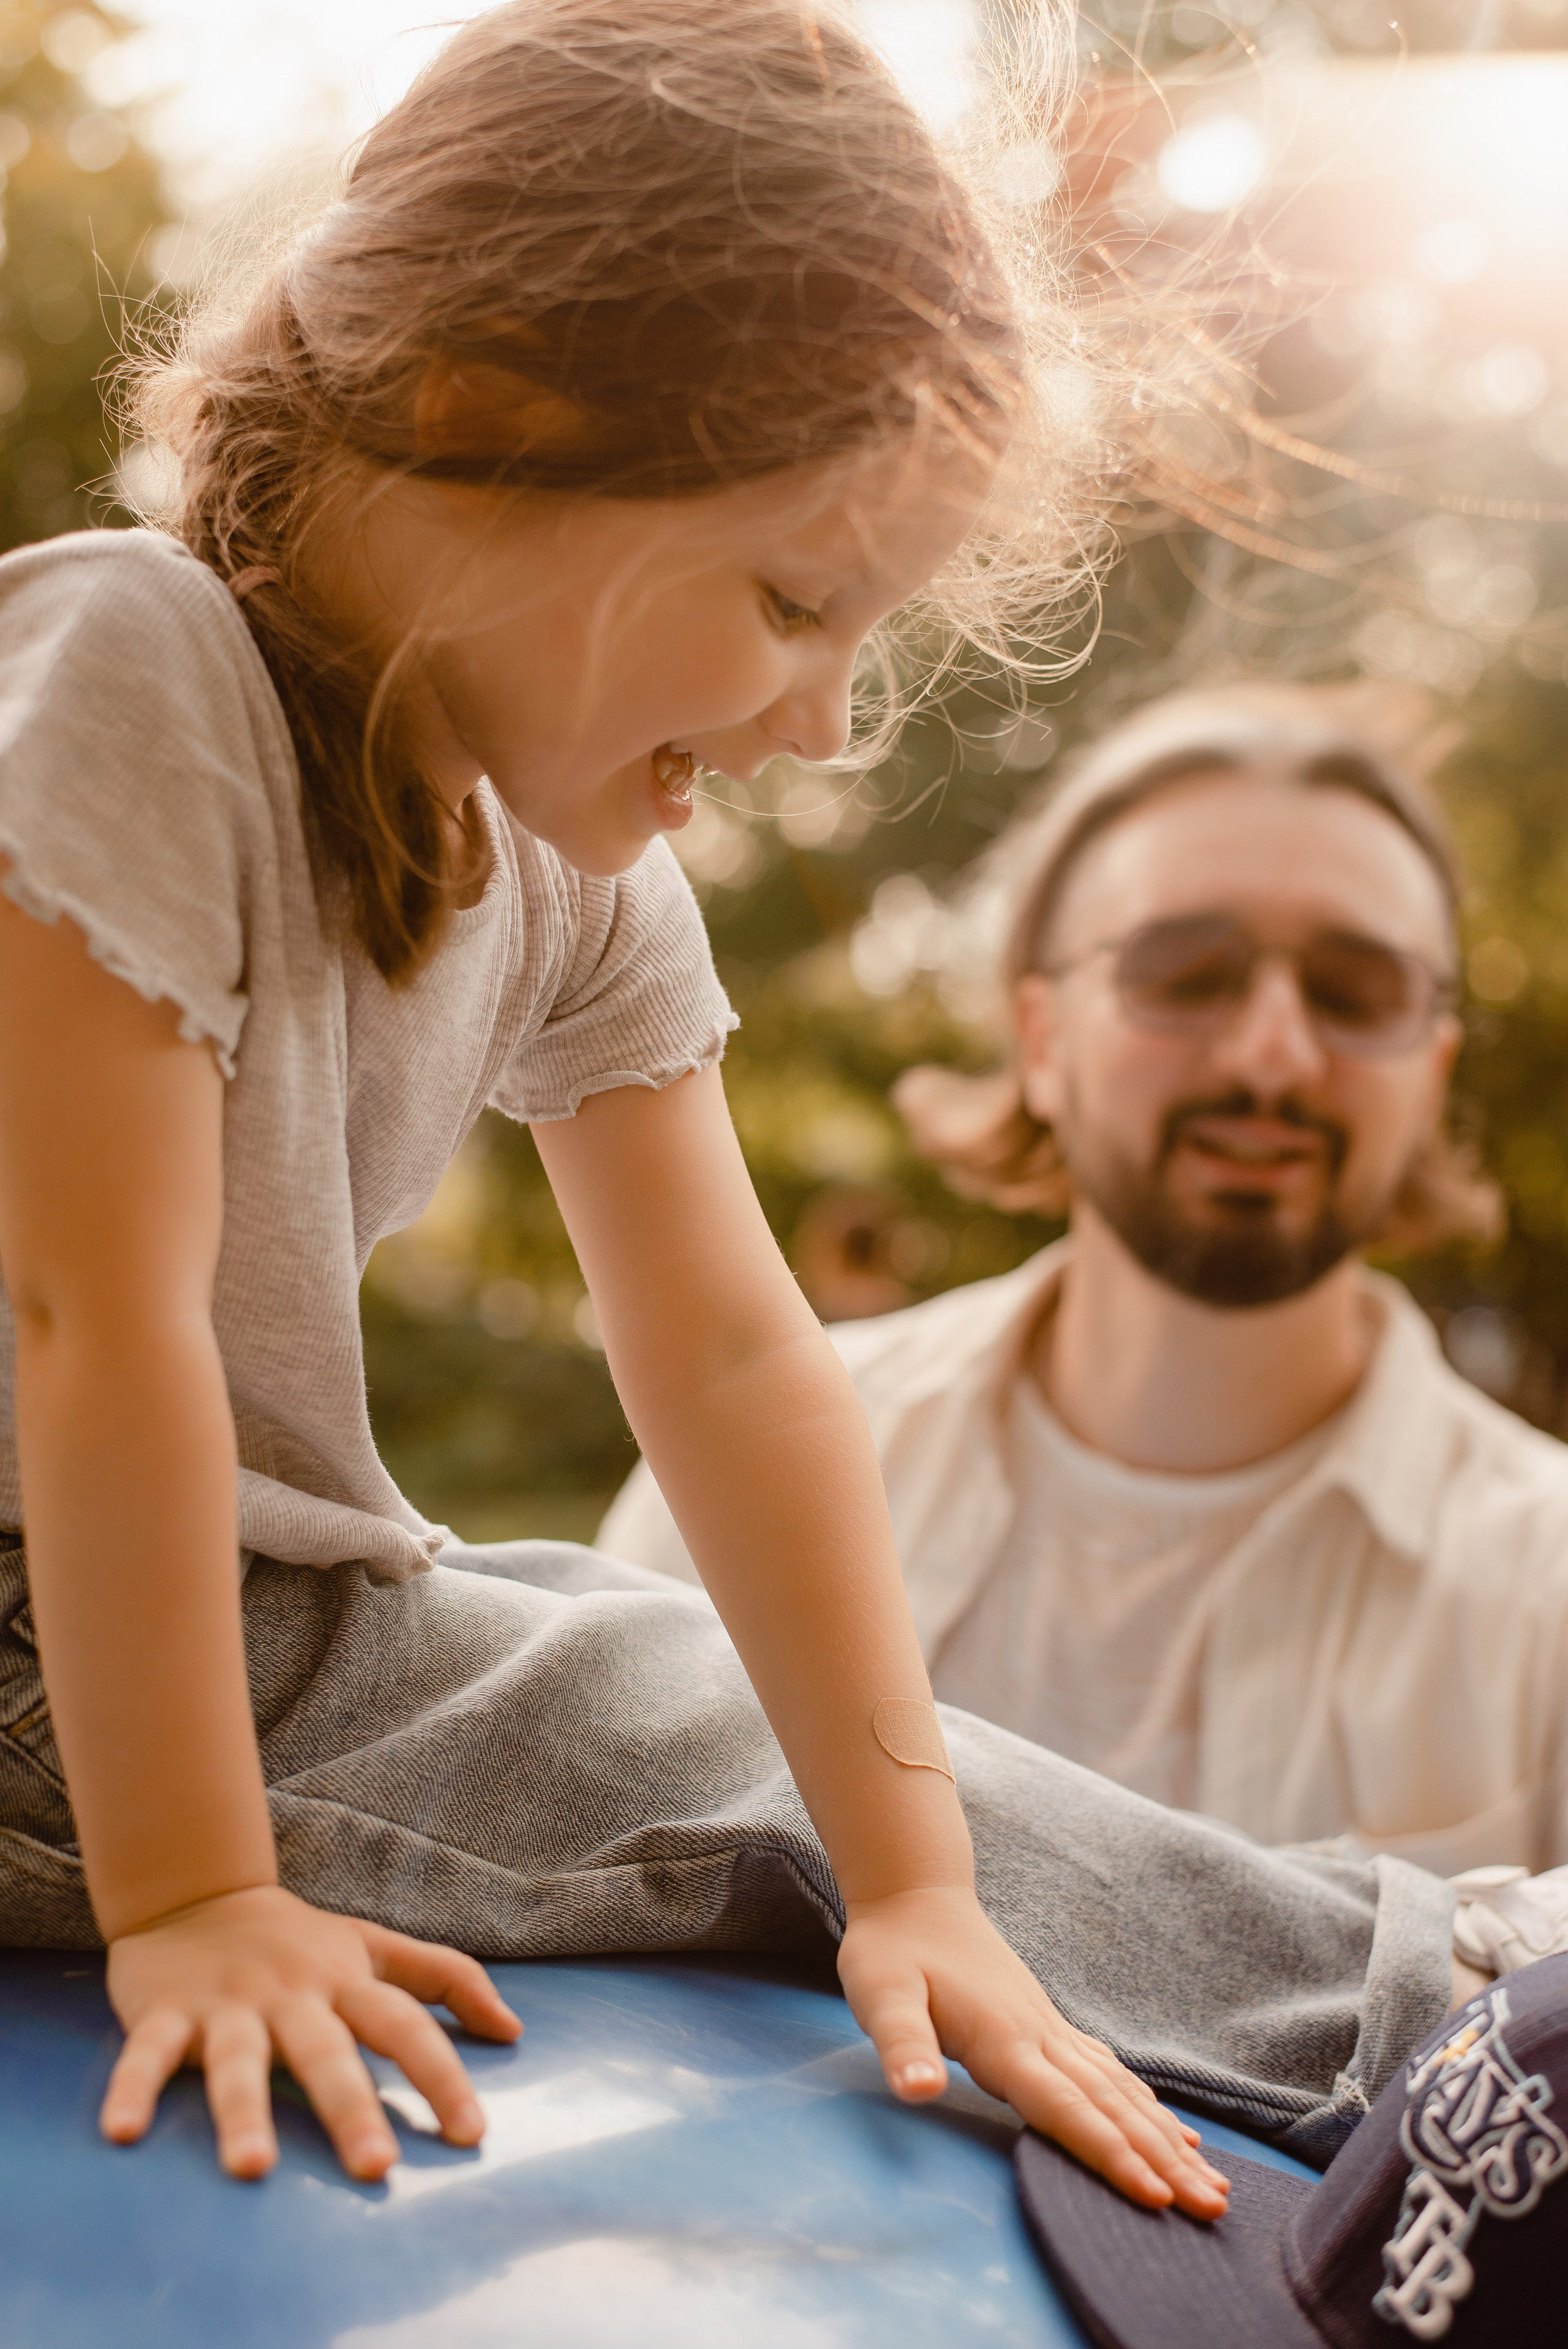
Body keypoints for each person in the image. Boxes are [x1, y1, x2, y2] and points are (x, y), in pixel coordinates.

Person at [0, 0, 1517, 2220]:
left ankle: (1415, 1980)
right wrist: (197, 1894)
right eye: (795, 598)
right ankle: (1460, 2013)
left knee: (639, 1657)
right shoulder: (135, 668)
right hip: (48, 1629)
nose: (819, 716)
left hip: (210, 1603)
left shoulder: (552, 860)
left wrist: (917, 1880)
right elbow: (85, 1327)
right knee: (638, 1711)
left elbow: (729, 1356)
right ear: (480, 413)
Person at [603, 685, 1568, 1877]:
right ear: (1044, 1038)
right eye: (1185, 971)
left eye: (1352, 992)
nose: (1271, 1051)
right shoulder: (735, 1471)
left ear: (1428, 1072)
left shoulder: (1547, 1590)